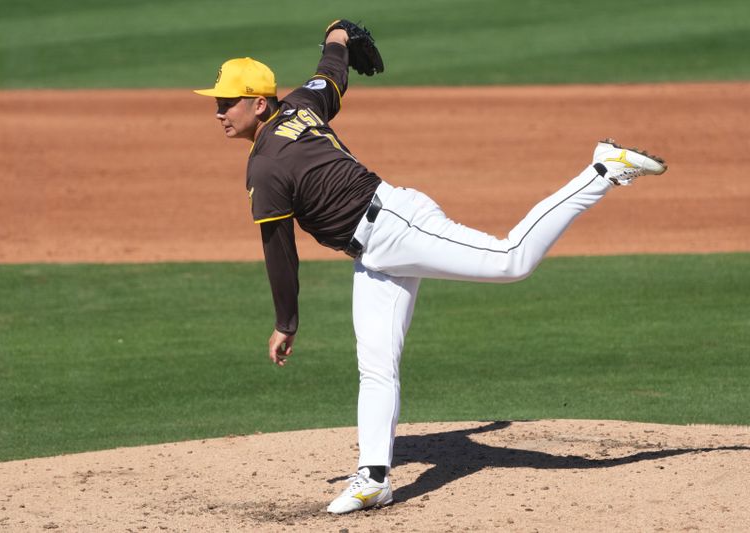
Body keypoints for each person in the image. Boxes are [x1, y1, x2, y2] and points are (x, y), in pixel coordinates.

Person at [194, 22, 667, 515]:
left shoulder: (266, 165)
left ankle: (602, 169)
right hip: (374, 253)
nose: (218, 112)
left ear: (259, 104)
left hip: (398, 227)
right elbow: (330, 75)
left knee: (511, 260)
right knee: (376, 365)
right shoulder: (299, 106)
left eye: (227, 103)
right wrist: (337, 33)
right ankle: (373, 478)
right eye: (216, 103)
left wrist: (286, 323)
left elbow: (279, 250)